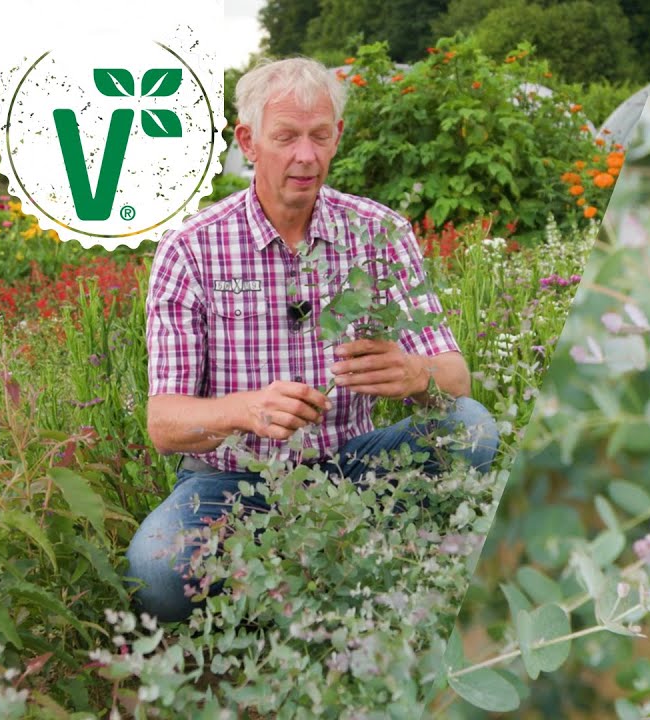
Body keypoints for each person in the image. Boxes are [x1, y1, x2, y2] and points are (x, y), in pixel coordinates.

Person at [126, 57, 498, 623]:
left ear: (338, 137)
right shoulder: (192, 248)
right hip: (229, 479)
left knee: (471, 426)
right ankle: (324, 556)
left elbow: (456, 380)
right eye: (286, 137)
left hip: (351, 463)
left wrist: (414, 375)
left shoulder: (378, 233)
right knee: (156, 570)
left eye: (320, 136)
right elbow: (164, 423)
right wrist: (246, 410)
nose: (306, 155)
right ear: (247, 141)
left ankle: (301, 558)